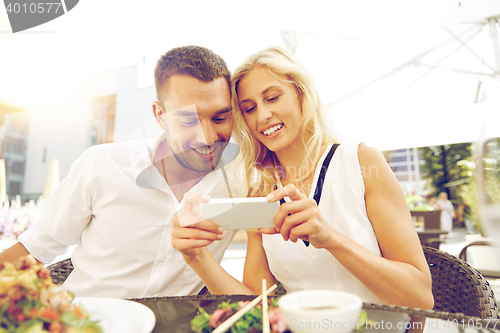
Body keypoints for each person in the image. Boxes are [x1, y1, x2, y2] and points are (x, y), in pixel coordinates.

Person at [171, 46, 434, 310]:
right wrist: (198, 258)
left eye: (272, 98)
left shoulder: (360, 162)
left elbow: (420, 297)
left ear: (300, 94)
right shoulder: (261, 192)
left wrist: (330, 238)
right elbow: (254, 306)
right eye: (249, 109)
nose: (262, 116)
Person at [0, 45, 238, 299]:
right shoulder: (101, 165)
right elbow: (35, 248)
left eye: (220, 118)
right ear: (160, 115)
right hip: (83, 321)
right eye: (188, 120)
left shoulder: (242, 182)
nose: (208, 137)